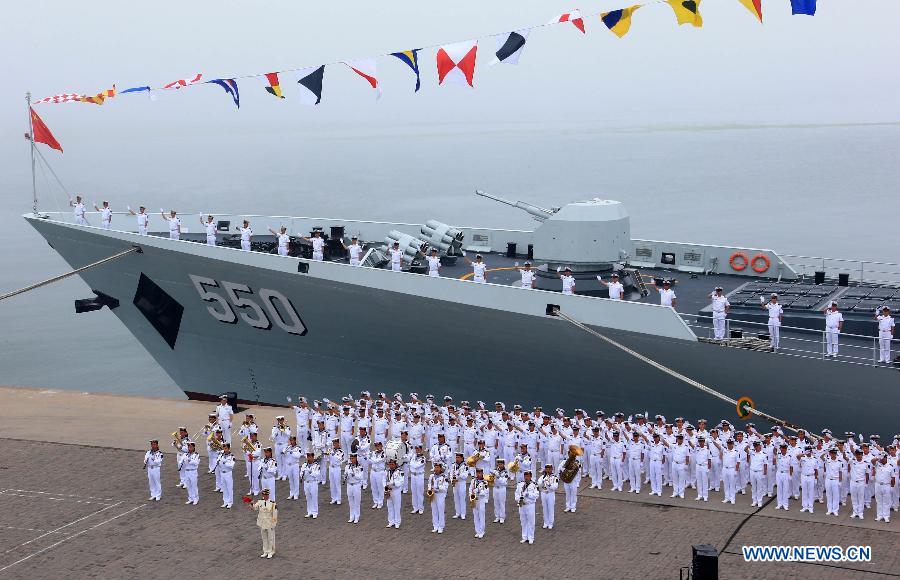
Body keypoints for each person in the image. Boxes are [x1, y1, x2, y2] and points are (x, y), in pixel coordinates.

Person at [250, 488, 278, 559]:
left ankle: (271, 551)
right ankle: (265, 551)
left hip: (269, 523)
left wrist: (274, 524)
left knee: (270, 538)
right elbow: (254, 508)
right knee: (264, 537)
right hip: (262, 522)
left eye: (266, 495)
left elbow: (275, 514)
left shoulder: (272, 503)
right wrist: (251, 504)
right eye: (264, 495)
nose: (265, 496)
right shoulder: (260, 502)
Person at [514, 469, 539, 544]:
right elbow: (516, 494)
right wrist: (519, 499)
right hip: (522, 505)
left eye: (528, 476)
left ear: (530, 476)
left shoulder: (534, 484)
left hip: (530, 505)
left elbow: (536, 495)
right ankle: (524, 536)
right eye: (525, 476)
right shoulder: (520, 484)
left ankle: (531, 537)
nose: (526, 477)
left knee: (531, 521)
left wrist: (528, 494)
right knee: (523, 521)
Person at [873, 453, 895, 523]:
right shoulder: (877, 464)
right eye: (881, 458)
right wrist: (878, 457)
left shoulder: (890, 466)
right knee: (879, 501)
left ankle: (886, 516)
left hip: (886, 485)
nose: (882, 459)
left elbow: (893, 477)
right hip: (878, 485)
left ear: (886, 458)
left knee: (886, 502)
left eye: (883, 458)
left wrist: (892, 487)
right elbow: (872, 461)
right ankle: (879, 515)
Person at [428, 463, 450, 533]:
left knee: (440, 510)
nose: (436, 469)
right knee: (434, 510)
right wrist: (429, 489)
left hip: (440, 495)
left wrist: (437, 487)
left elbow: (445, 488)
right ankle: (435, 525)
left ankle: (441, 526)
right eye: (435, 467)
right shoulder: (432, 476)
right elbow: (429, 484)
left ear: (441, 468)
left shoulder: (444, 477)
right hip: (433, 495)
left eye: (437, 467)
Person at [823, 447, 844, 516]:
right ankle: (829, 509)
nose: (833, 454)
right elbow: (821, 457)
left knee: (836, 496)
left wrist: (840, 481)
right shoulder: (827, 460)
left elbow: (840, 472)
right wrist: (826, 450)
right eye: (832, 453)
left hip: (835, 480)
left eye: (834, 453)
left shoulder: (839, 461)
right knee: (829, 495)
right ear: (829, 453)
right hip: (828, 479)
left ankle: (835, 510)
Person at [849, 449, 869, 519]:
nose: (858, 456)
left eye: (860, 454)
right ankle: (855, 512)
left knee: (861, 498)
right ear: (855, 455)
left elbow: (867, 474)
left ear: (862, 455)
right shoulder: (852, 461)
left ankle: (860, 513)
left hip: (861, 483)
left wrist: (866, 483)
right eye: (857, 454)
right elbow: (845, 458)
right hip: (853, 482)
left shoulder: (865, 463)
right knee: (854, 498)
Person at [449, 452, 471, 519]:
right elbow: (451, 473)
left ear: (462, 458)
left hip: (461, 483)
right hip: (455, 483)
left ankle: (463, 513)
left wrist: (458, 475)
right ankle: (457, 513)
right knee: (456, 499)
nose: (457, 459)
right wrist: (452, 479)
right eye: (456, 457)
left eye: (458, 457)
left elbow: (465, 476)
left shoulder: (465, 466)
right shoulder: (453, 465)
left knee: (462, 498)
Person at [345, 453, 365, 524]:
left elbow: (360, 477)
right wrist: (345, 476)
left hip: (356, 485)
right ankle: (351, 516)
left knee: (356, 502)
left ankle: (357, 516)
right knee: (350, 502)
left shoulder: (359, 467)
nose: (351, 460)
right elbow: (345, 475)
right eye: (351, 458)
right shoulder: (347, 466)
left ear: (356, 458)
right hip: (349, 485)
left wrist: (354, 475)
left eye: (353, 458)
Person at [799, 446, 819, 514]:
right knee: (804, 492)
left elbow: (816, 470)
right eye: (807, 451)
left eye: (809, 451)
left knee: (811, 492)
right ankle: (804, 506)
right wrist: (804, 453)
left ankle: (810, 507)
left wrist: (816, 478)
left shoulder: (814, 459)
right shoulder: (802, 458)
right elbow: (797, 457)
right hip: (804, 476)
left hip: (811, 476)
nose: (808, 452)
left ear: (811, 451)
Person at [537, 463, 558, 530]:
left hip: (550, 494)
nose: (548, 470)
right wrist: (542, 482)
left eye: (549, 469)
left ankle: (551, 523)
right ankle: (545, 522)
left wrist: (549, 485)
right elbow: (538, 485)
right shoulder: (542, 477)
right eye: (546, 469)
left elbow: (555, 486)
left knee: (550, 508)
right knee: (545, 508)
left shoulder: (555, 477)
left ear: (552, 469)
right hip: (543, 493)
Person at [300, 452, 320, 518]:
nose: (309, 458)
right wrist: (302, 474)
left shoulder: (316, 465)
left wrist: (310, 472)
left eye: (310, 457)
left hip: (313, 483)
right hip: (306, 483)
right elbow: (301, 473)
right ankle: (309, 511)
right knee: (308, 498)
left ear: (313, 457)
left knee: (314, 497)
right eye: (308, 457)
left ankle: (315, 512)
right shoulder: (304, 465)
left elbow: (317, 474)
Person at [385, 458, 404, 529]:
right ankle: (391, 521)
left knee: (396, 506)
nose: (391, 466)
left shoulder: (400, 471)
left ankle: (397, 522)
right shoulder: (387, 471)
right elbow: (384, 479)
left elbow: (401, 481)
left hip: (396, 490)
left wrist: (393, 483)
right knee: (389, 506)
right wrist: (385, 487)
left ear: (395, 464)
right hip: (389, 490)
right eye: (390, 464)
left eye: (392, 464)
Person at [179, 441, 200, 505]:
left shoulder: (196, 454)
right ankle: (190, 498)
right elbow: (180, 462)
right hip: (187, 471)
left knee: (194, 485)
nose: (189, 448)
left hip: (193, 471)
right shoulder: (185, 454)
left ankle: (196, 498)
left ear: (193, 447)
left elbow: (197, 463)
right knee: (188, 486)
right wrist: (182, 461)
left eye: (191, 447)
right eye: (188, 447)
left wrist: (190, 460)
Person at [408, 444, 427, 514]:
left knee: (419, 492)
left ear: (421, 450)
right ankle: (415, 507)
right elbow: (411, 464)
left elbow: (416, 466)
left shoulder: (423, 458)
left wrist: (412, 464)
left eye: (418, 449)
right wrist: (412, 464)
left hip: (419, 476)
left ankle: (421, 508)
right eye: (416, 449)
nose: (417, 450)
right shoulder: (413, 456)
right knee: (414, 492)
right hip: (413, 475)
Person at [774, 443, 793, 511]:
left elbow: (791, 466)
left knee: (785, 489)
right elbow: (774, 451)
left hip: (786, 474)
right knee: (779, 489)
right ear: (780, 449)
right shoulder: (778, 455)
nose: (783, 450)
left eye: (784, 448)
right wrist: (776, 446)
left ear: (786, 449)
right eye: (782, 448)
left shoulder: (789, 456)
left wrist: (790, 475)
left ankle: (785, 504)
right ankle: (779, 504)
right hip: (779, 473)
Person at [368, 440, 387, 509]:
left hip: (380, 472)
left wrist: (371, 458)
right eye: (376, 445)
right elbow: (368, 460)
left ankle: (380, 502)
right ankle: (375, 501)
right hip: (373, 471)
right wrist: (371, 458)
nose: (377, 447)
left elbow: (377, 460)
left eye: (378, 445)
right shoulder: (373, 453)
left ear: (381, 446)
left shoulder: (384, 453)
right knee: (374, 488)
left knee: (380, 488)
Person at [491, 459, 509, 523]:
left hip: (502, 488)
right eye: (498, 464)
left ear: (503, 464)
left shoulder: (506, 472)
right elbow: (491, 479)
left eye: (501, 464)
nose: (500, 465)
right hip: (495, 488)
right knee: (496, 503)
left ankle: (502, 517)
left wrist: (498, 477)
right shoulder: (495, 470)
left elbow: (504, 482)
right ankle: (497, 516)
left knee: (501, 503)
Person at [285, 436, 302, 500]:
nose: (291, 442)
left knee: (295, 480)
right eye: (290, 440)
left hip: (295, 465)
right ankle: (291, 493)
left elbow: (298, 456)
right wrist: (284, 452)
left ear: (295, 440)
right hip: (289, 465)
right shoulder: (288, 447)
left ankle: (296, 494)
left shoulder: (298, 448)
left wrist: (292, 452)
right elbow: (285, 454)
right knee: (291, 480)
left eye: (292, 440)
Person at [328, 439, 344, 505]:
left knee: (337, 484)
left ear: (338, 444)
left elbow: (339, 459)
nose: (334, 445)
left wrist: (332, 454)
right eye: (333, 443)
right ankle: (333, 498)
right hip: (331, 467)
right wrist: (328, 454)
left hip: (337, 468)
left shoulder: (341, 451)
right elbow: (328, 458)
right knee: (332, 484)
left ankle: (338, 499)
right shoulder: (331, 450)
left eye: (335, 443)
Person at [219, 443, 235, 508]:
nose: (225, 450)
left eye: (226, 448)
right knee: (224, 488)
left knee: (229, 488)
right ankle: (225, 501)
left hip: (228, 473)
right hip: (222, 473)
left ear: (229, 448)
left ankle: (230, 502)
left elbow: (231, 466)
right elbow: (219, 463)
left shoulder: (231, 456)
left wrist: (225, 462)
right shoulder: (221, 455)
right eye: (224, 448)